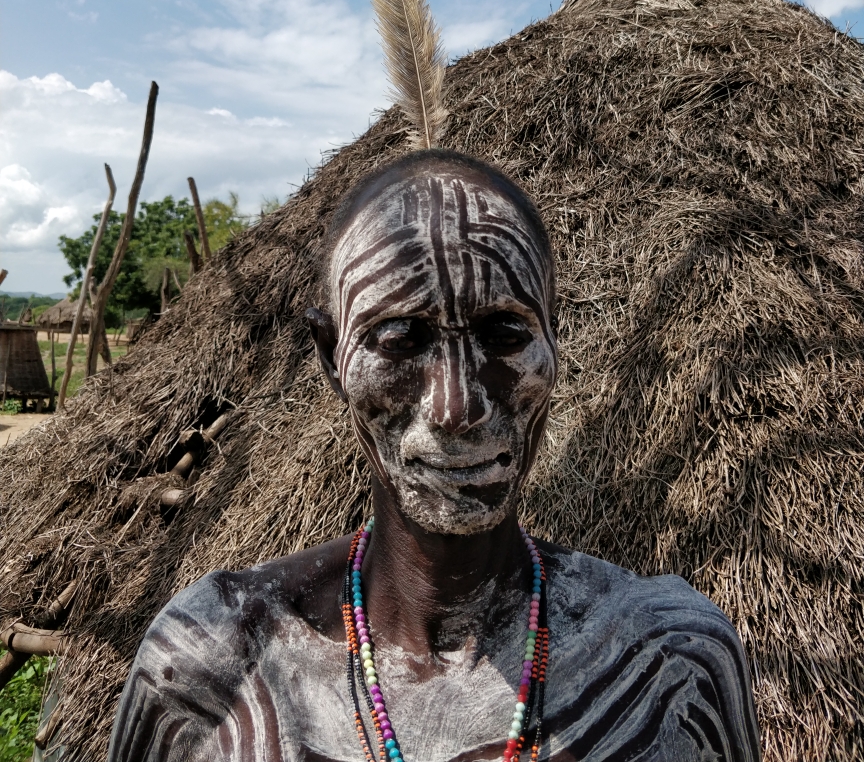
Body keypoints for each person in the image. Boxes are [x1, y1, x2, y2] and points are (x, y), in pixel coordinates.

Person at [108, 150, 761, 762]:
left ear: (554, 339)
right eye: (399, 339)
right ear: (332, 359)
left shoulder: (671, 666)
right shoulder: (209, 667)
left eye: (504, 333)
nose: (457, 407)